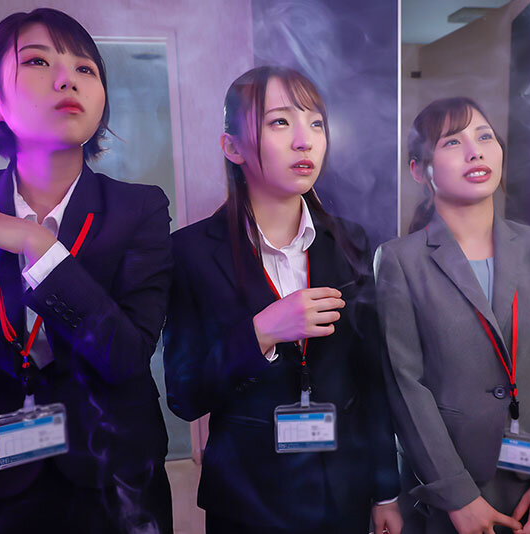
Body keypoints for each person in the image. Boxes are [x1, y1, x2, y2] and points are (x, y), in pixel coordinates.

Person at [0, 9, 173, 533]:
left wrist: (39, 247)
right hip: (8, 478)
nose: (68, 79)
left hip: (121, 471)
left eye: (85, 69)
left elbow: (126, 356)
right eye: (38, 62)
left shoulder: (139, 208)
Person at [162, 66, 402, 534]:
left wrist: (386, 491)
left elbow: (371, 378)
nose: (304, 140)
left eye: (316, 123)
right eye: (279, 122)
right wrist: (261, 332)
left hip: (343, 490)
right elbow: (184, 395)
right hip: (248, 497)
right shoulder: (191, 252)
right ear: (233, 147)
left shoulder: (350, 241)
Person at [376, 97, 530, 534]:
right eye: (453, 142)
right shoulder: (400, 260)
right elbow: (406, 387)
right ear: (419, 170)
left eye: (485, 136)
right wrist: (457, 496)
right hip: (448, 494)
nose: (475, 151)